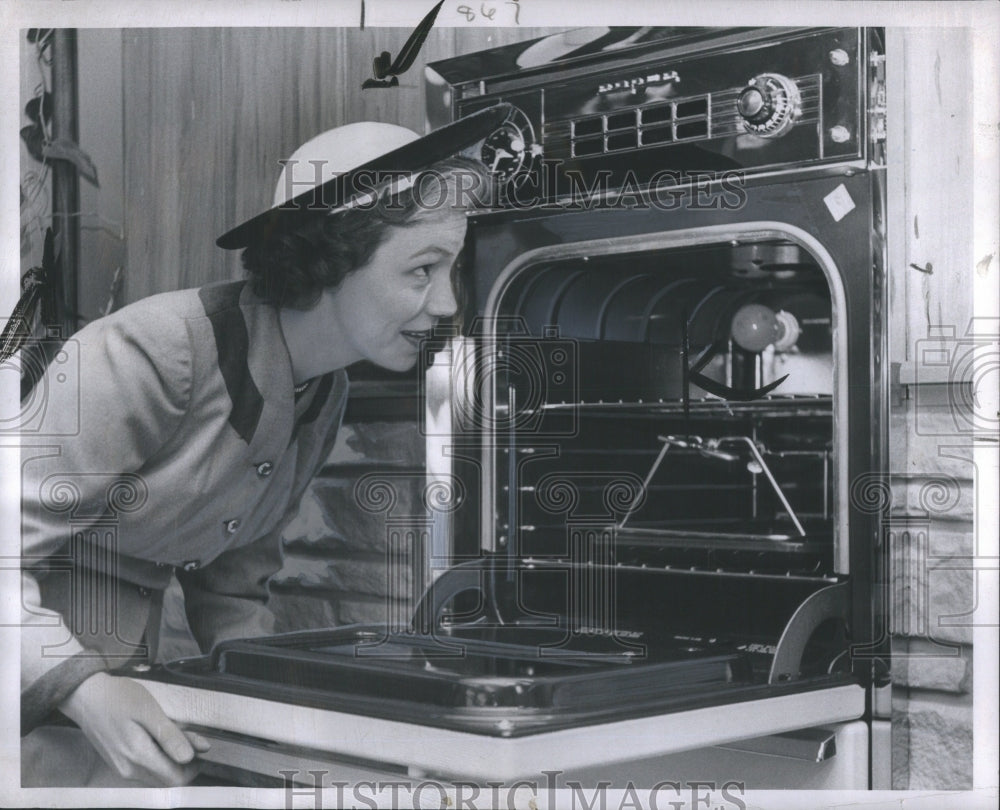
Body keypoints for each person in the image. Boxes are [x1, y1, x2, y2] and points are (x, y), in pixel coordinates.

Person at [19, 107, 503, 787]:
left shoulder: (321, 391)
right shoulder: (149, 354)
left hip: (122, 698)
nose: (448, 303)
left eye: (452, 270)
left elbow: (232, 590)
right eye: (423, 270)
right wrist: (81, 689)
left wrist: (293, 719)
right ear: (332, 256)